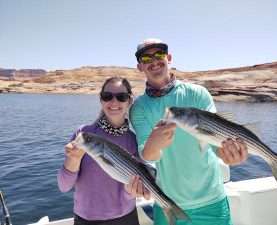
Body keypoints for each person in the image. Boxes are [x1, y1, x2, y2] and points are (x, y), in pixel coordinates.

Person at [129, 38, 248, 225]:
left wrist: (231, 155)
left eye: (159, 54)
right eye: (146, 58)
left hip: (213, 203)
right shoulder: (139, 108)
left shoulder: (198, 93)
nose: (154, 61)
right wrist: (154, 143)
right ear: (140, 67)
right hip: (168, 206)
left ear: (169, 58)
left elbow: (216, 145)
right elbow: (148, 156)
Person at [57, 77, 149, 225]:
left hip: (126, 218)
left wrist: (130, 192)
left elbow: (131, 188)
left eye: (121, 97)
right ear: (101, 100)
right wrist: (73, 160)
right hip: (86, 220)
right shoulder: (84, 134)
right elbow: (63, 186)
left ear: (130, 101)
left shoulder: (134, 140)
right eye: (107, 96)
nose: (114, 102)